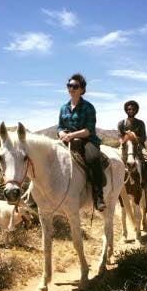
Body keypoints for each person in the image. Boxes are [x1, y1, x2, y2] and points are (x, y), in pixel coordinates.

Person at [57, 73, 106, 211]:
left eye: (75, 86)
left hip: (86, 140)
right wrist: (61, 133)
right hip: (66, 139)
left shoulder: (88, 107)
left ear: (82, 89)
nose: (71, 88)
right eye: (69, 86)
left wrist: (71, 135)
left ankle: (98, 196)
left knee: (93, 158)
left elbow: (89, 130)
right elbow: (60, 126)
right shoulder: (63, 108)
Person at [118, 100, 147, 196]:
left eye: (133, 109)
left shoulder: (140, 123)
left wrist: (134, 138)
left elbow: (144, 137)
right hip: (124, 145)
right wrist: (124, 140)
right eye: (129, 109)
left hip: (138, 145)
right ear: (126, 110)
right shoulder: (121, 123)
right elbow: (120, 137)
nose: (130, 110)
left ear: (136, 110)